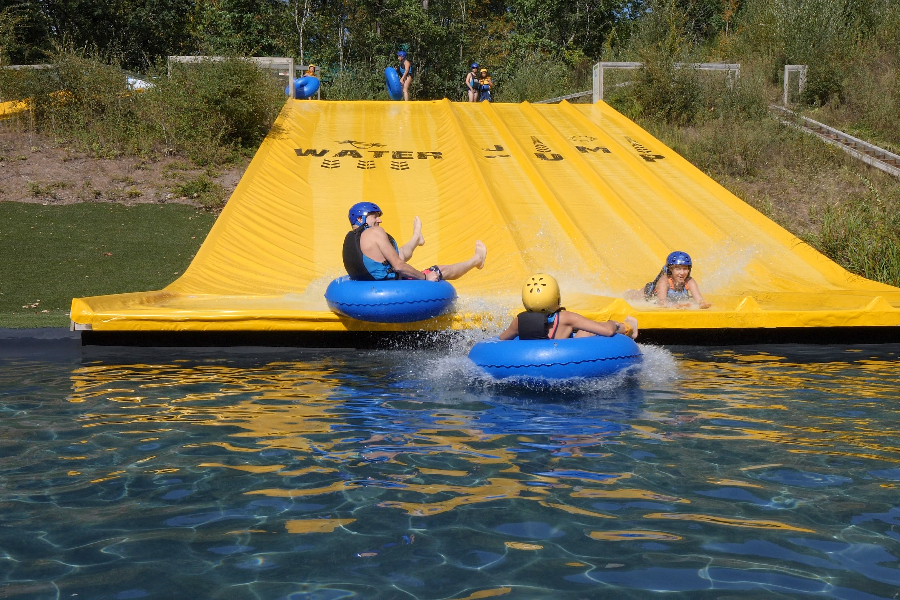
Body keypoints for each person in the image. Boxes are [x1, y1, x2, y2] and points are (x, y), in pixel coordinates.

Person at [343, 202, 487, 282]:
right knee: (439, 271)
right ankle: (476, 260)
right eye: (375, 217)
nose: (379, 220)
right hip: (387, 287)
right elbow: (399, 266)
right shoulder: (375, 232)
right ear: (361, 219)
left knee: (399, 254)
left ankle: (416, 238)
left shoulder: (349, 238)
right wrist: (425, 277)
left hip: (368, 284)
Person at [499, 274, 639, 341]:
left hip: (530, 364)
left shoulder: (519, 321)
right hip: (564, 362)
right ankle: (629, 328)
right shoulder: (566, 318)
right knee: (588, 330)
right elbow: (607, 332)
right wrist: (612, 324)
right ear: (557, 297)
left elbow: (502, 340)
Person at [625, 251, 712, 309]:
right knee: (634, 296)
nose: (682, 273)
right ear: (671, 269)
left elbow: (698, 298)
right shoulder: (664, 281)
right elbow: (661, 301)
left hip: (668, 298)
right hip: (648, 294)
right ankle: (628, 292)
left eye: (685, 268)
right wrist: (675, 305)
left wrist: (702, 303)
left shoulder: (689, 281)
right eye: (678, 269)